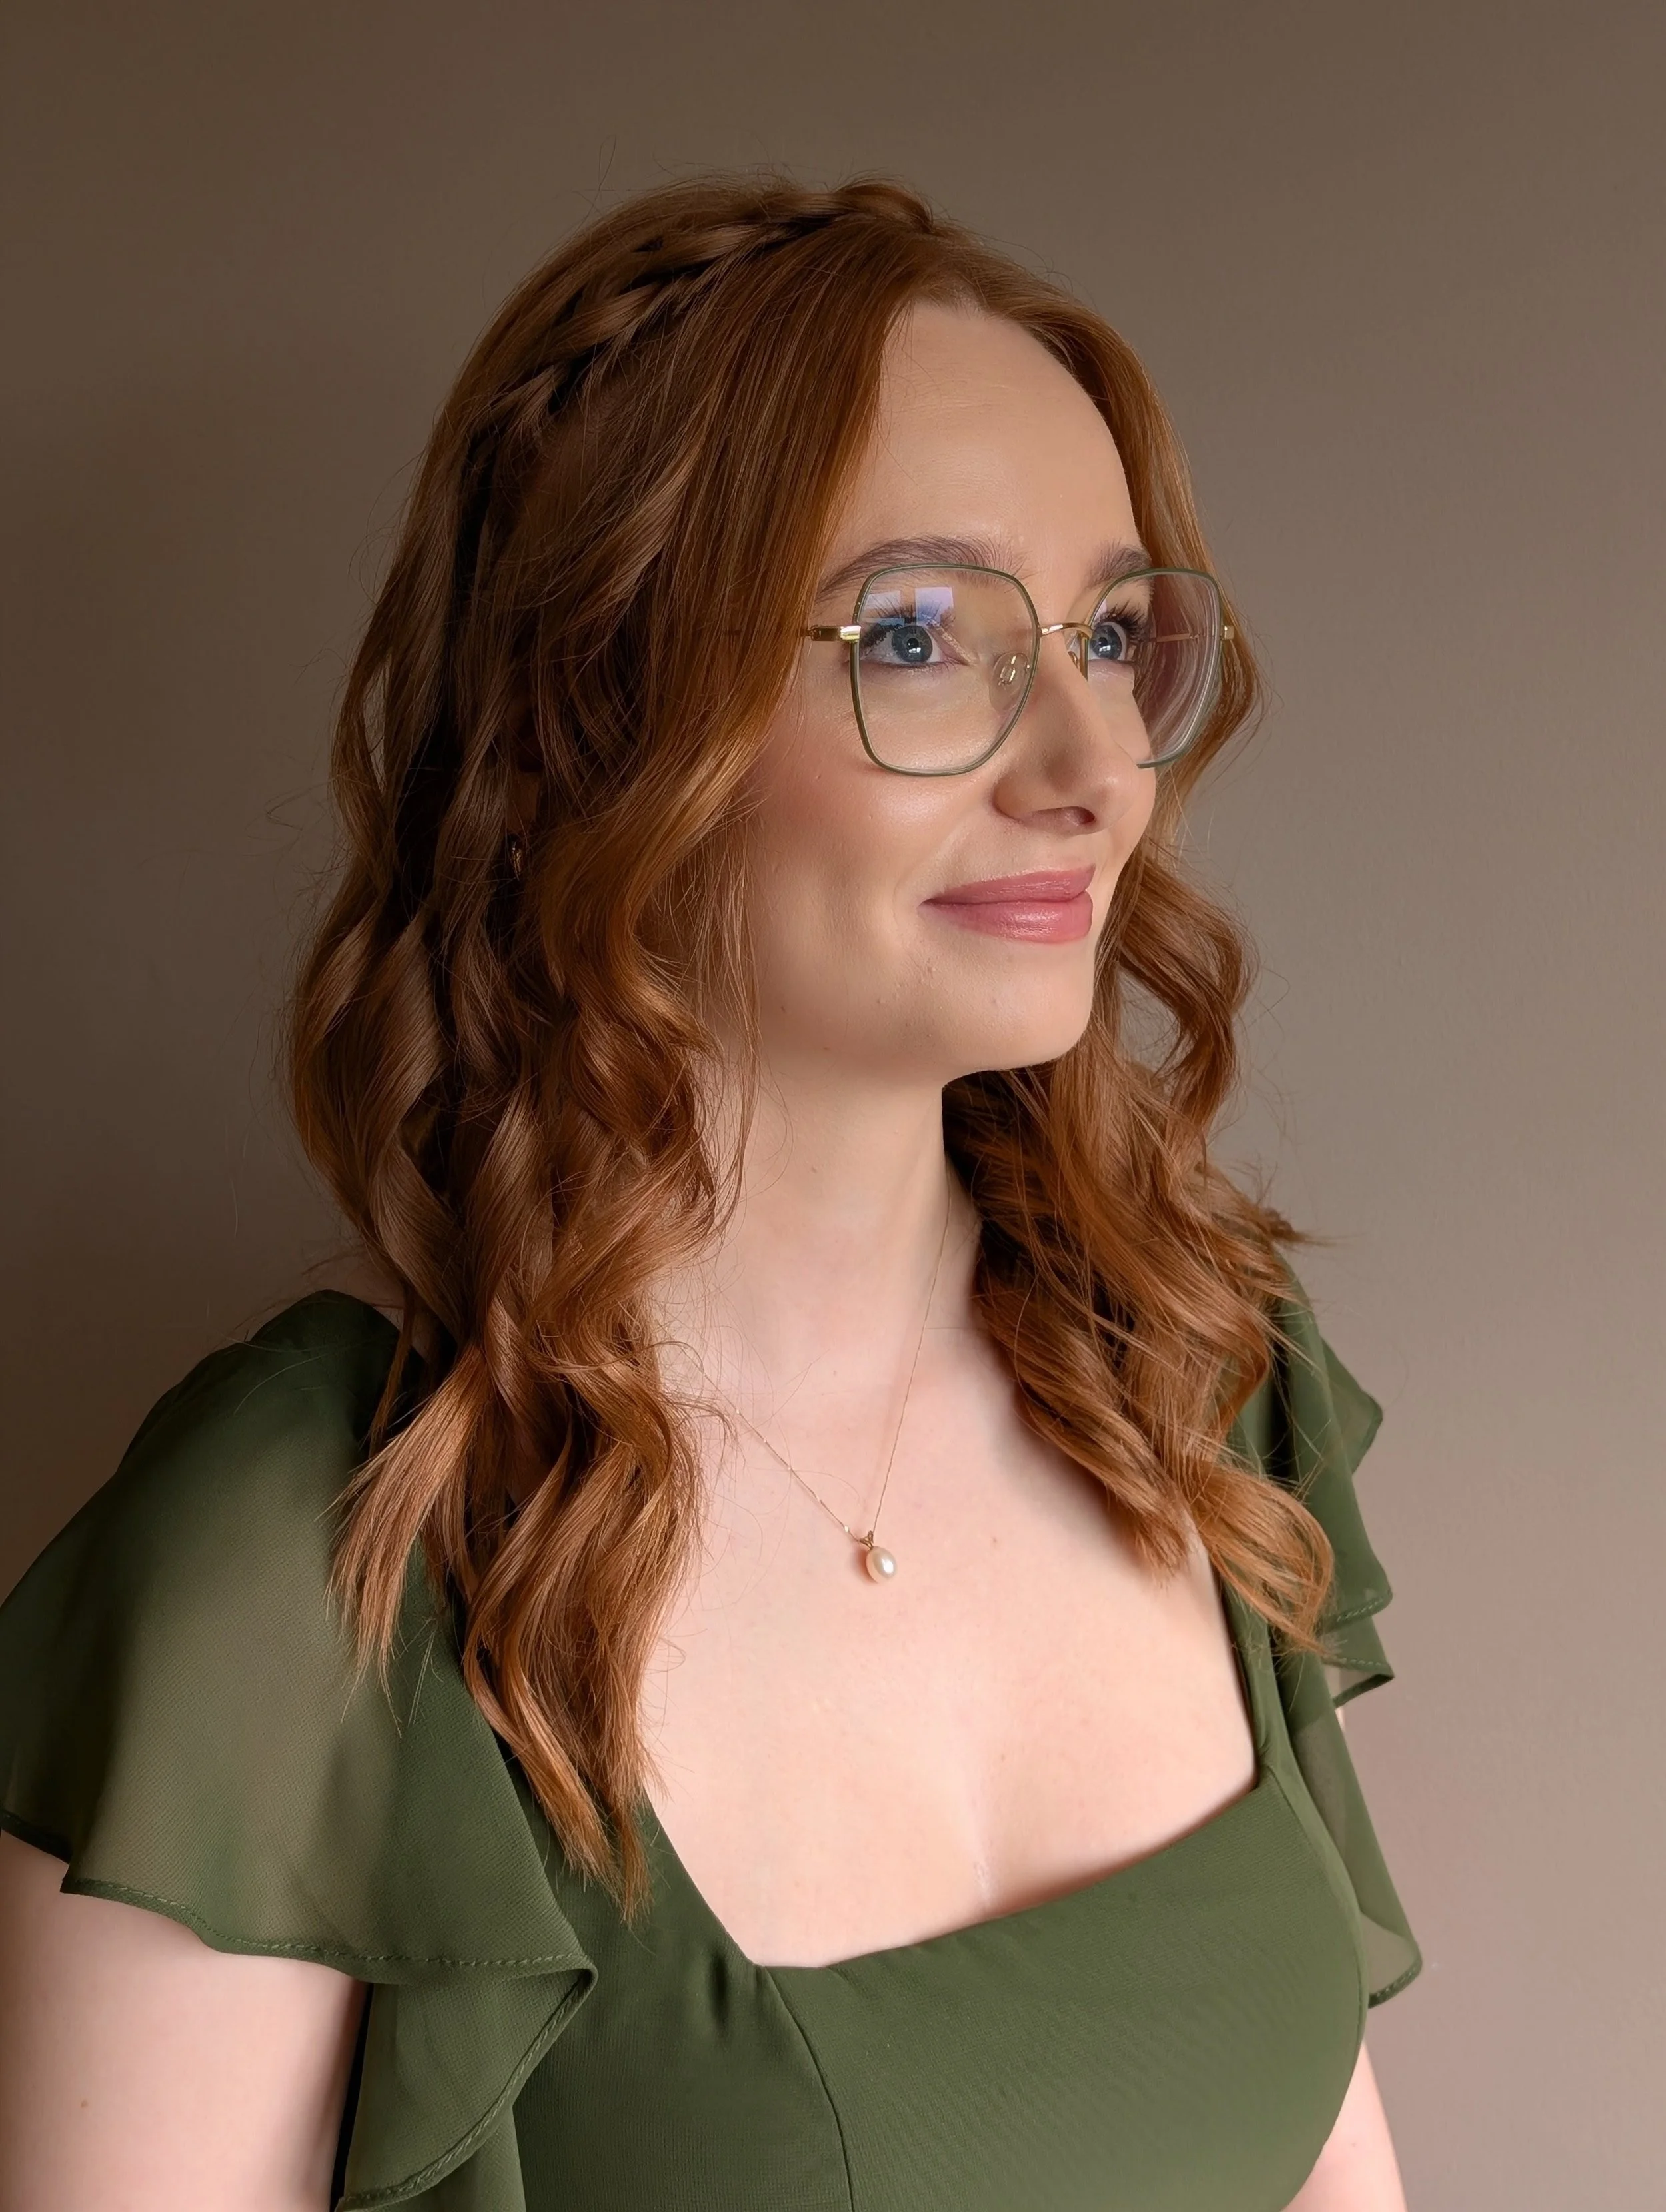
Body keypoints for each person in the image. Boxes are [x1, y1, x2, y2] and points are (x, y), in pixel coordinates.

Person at [0, 173, 1422, 2210]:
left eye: (1112, 635)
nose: (1088, 760)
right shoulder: (299, 1565)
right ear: (605, 703)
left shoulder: (1199, 1386)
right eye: (924, 636)